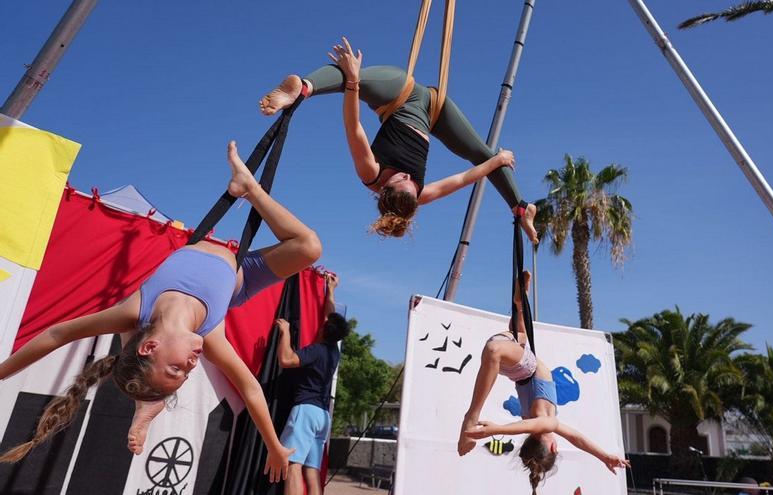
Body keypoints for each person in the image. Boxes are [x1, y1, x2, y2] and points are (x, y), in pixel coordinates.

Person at [0, 141, 322, 483]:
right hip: (237, 280)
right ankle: (252, 190)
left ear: (151, 349)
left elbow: (57, 333)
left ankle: (146, 404)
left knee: (134, 328)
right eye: (185, 375)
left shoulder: (135, 309)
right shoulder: (210, 337)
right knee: (309, 247)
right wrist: (273, 445)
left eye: (177, 368)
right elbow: (251, 389)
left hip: (162, 312)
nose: (191, 367)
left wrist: (2, 372)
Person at [259, 37, 538, 240]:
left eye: (401, 181)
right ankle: (521, 207)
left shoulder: (370, 173)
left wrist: (354, 81)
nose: (408, 178)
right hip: (434, 110)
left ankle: (301, 89)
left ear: (384, 189)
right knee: (483, 154)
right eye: (411, 185)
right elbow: (464, 178)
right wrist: (498, 159)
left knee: (350, 74)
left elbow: (353, 126)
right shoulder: (419, 195)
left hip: (398, 95)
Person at [457, 271, 629, 494]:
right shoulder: (544, 422)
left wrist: (495, 429)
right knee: (516, 336)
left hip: (524, 367)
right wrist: (603, 456)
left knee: (496, 350)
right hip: (517, 366)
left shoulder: (547, 423)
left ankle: (471, 416)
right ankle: (519, 303)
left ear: (553, 447)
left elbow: (533, 428)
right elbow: (578, 439)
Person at [275, 272, 349, 495]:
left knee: (293, 466)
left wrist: (285, 332)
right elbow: (330, 315)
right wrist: (331, 289)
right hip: (322, 417)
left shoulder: (316, 351)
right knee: (312, 470)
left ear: (326, 330)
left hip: (305, 412)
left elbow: (286, 360)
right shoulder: (333, 352)